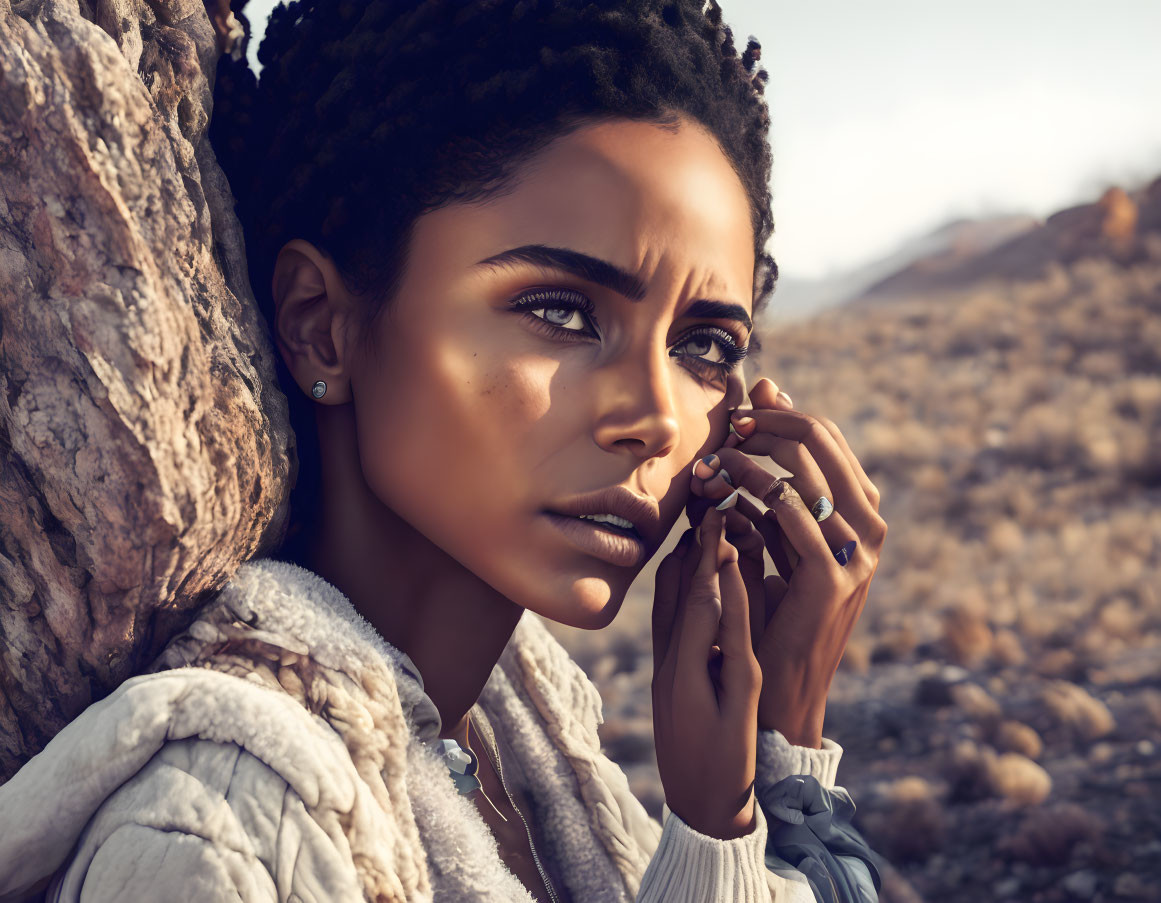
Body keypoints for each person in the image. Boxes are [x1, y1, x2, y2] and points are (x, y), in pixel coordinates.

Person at [0, 0, 885, 900]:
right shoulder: (212, 845)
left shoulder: (523, 729)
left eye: (703, 345)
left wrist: (760, 779)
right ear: (323, 330)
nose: (655, 417)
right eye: (561, 312)